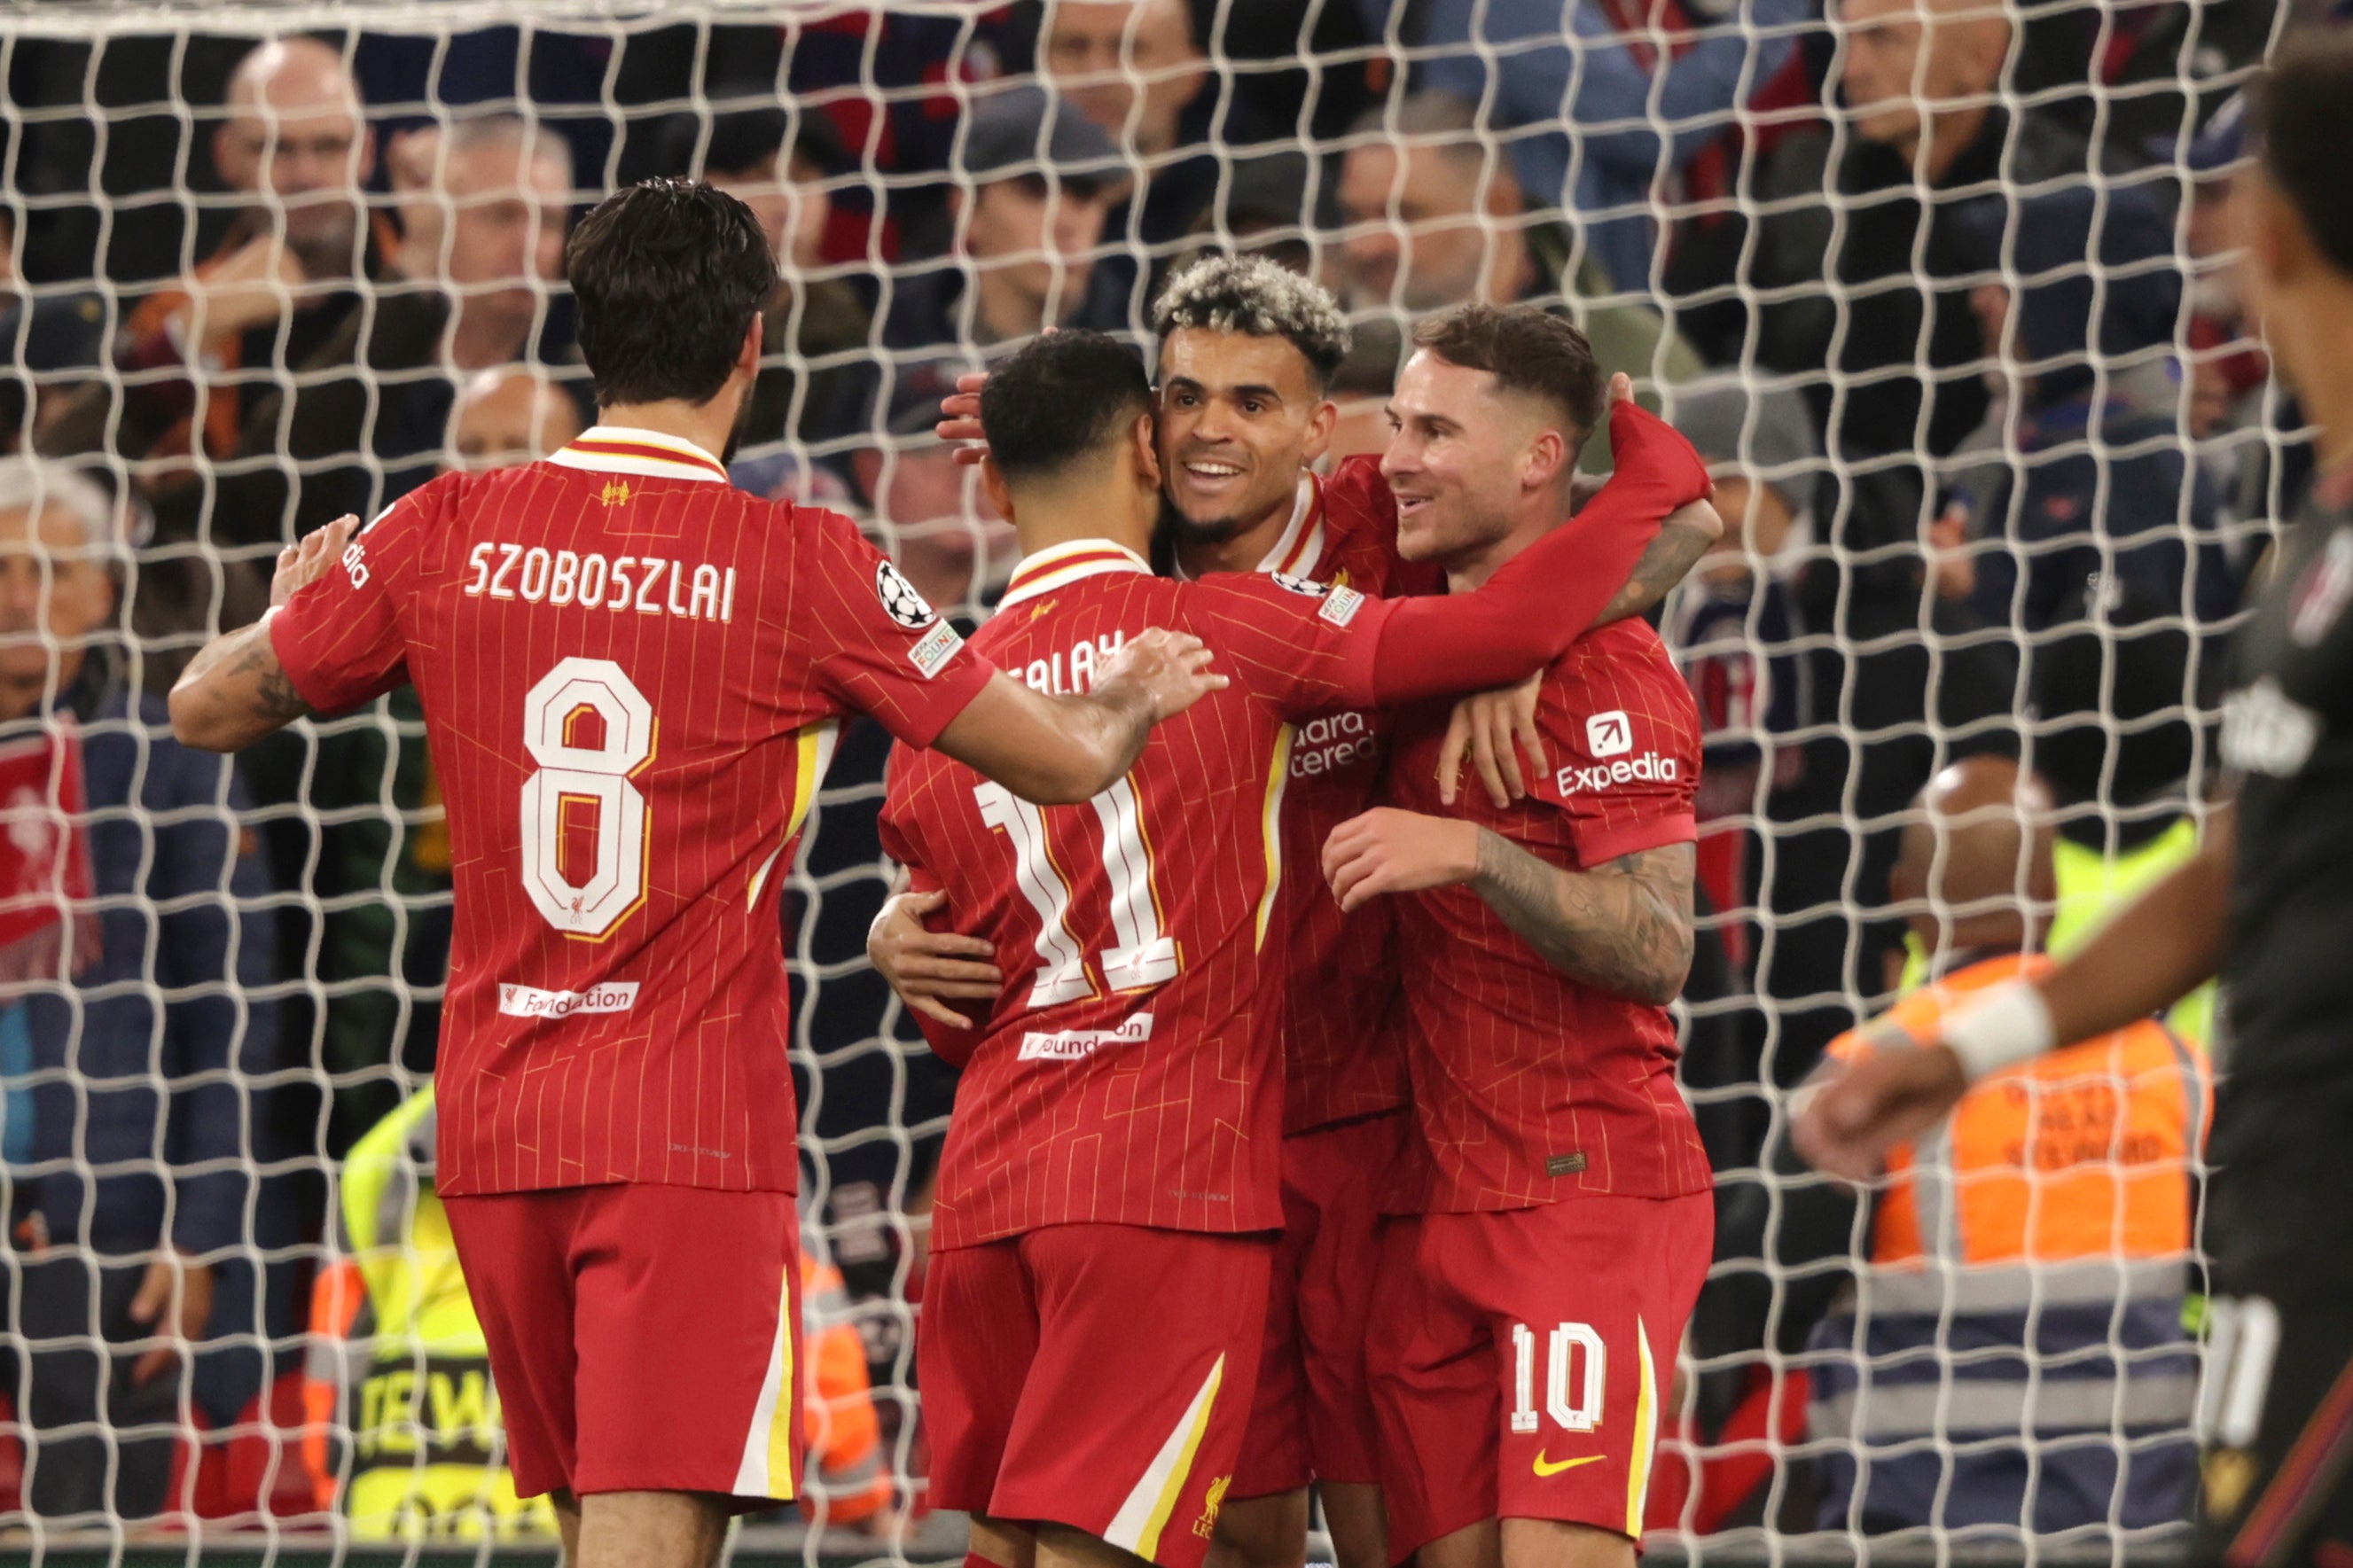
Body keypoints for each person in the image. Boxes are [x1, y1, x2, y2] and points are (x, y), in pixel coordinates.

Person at [163, 178, 1227, 1568]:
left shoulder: (439, 526)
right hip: (681, 1134)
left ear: (585, 336)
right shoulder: (804, 559)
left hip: (491, 1125)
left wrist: (281, 608)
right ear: (751, 344)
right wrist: (1134, 696)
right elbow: (1064, 764)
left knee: (588, 1534)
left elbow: (204, 709)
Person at [874, 261, 1722, 1568]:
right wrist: (895, 921)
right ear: (1140, 436)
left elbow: (1677, 530)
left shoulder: (1382, 523)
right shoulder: (1153, 577)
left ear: (1322, 429)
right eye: (1185, 399)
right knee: (1233, 1528)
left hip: (1397, 1126)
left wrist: (1532, 640)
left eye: (1254, 403)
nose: (1214, 430)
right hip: (1210, 1128)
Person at [1795, 38, 2353, 1567]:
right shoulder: (2309, 520)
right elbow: (2240, 856)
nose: (2201, 230)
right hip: (2277, 1185)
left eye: (2220, 190)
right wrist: (1964, 1046)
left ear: (2276, 228)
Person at [1317, 306, 1715, 1568]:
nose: (1399, 456)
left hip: (1581, 1191)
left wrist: (1475, 854)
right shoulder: (1422, 630)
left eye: (1436, 428)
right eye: (1398, 423)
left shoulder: (1612, 672)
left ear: (1543, 460)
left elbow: (1660, 945)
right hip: (1433, 1201)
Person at [1708, 758, 2204, 1535]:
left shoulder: (1865, 1083)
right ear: (2050, 893)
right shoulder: (2175, 1066)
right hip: (2140, 1521)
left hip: (1920, 1526)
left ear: (1905, 894)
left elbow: (1745, 1306)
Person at [0, 458, 283, 1521]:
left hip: (108, 1225)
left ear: (106, 591)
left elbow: (236, 1019)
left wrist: (201, 1228)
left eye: (53, 568)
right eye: (3, 567)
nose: (24, 594)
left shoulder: (169, 762)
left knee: (92, 1529)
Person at [302, 1086, 895, 1539]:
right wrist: (864, 1510)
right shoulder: (710, 1125)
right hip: (612, 1523)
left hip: (403, 1525)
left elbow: (328, 1404)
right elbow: (816, 1369)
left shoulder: (378, 1154)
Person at [36, 37, 392, 476]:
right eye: (275, 148)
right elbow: (60, 474)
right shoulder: (178, 310)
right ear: (226, 155)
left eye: (329, 147)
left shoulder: (441, 284)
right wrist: (194, 331)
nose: (306, 175)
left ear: (368, 152)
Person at [1332, 92, 1707, 472]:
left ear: (1497, 206)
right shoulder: (1317, 358)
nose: (1363, 246)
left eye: (1403, 215)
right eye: (1352, 215)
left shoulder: (1637, 358)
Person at [1416, 0, 1809, 297]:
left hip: (1640, 272)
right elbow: (1647, 126)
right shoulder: (1508, 9)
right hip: (1561, 297)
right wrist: (1775, 12)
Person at [1039, 0, 1217, 331]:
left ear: (1191, 77)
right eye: (1074, 47)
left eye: (1130, 49)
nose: (1098, 74)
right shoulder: (989, 215)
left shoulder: (1228, 215)